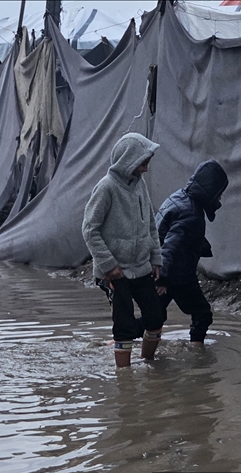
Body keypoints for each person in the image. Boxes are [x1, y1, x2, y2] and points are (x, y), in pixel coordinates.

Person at [82, 132, 164, 367]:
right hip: (115, 273)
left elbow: (150, 223)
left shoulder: (140, 185)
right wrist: (109, 265)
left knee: (156, 317)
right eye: (143, 163)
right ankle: (125, 379)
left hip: (141, 266)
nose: (146, 168)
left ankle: (148, 364)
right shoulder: (106, 188)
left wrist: (155, 258)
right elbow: (89, 229)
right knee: (124, 325)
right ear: (128, 161)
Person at [155, 159, 228, 346]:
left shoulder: (179, 196)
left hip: (161, 269)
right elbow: (171, 247)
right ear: (210, 191)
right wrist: (163, 279)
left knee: (153, 317)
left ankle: (117, 342)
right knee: (202, 314)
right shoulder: (191, 213)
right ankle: (197, 353)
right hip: (176, 274)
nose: (220, 198)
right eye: (219, 193)